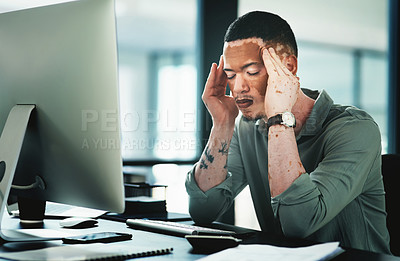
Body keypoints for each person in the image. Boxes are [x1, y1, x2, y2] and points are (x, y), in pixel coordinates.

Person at [185, 11, 390, 254]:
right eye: (230, 75)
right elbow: (203, 210)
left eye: (251, 72)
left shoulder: (356, 129)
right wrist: (222, 123)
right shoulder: (247, 128)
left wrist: (279, 117)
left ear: (289, 67)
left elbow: (298, 224)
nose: (238, 87)